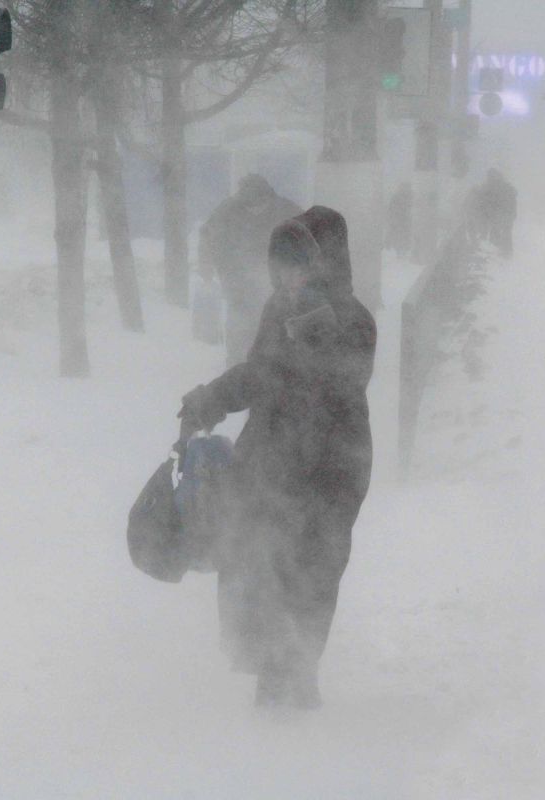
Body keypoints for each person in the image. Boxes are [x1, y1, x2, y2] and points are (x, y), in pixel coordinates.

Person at [178, 207, 376, 709]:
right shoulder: (277, 309)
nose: (288, 277)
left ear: (325, 263)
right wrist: (209, 399)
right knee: (259, 565)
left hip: (333, 471)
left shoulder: (354, 320)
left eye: (300, 265)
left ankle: (300, 675)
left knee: (315, 572)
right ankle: (273, 675)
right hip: (271, 463)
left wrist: (312, 333)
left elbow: (343, 384)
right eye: (281, 267)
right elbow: (258, 373)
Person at [198, 174, 302, 365]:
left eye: (258, 204)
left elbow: (308, 239)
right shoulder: (228, 209)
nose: (253, 209)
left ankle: (271, 364)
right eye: (248, 205)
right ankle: (237, 364)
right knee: (239, 318)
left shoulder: (287, 211)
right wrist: (205, 262)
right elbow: (207, 234)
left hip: (276, 276)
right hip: (234, 274)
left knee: (274, 317)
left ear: (267, 197)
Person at [471, 168, 518, 257]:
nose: (489, 179)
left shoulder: (498, 187)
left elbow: (490, 200)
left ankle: (504, 252)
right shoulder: (502, 186)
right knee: (502, 233)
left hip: (502, 214)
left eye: (490, 177)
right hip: (503, 214)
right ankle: (504, 252)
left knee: (501, 233)